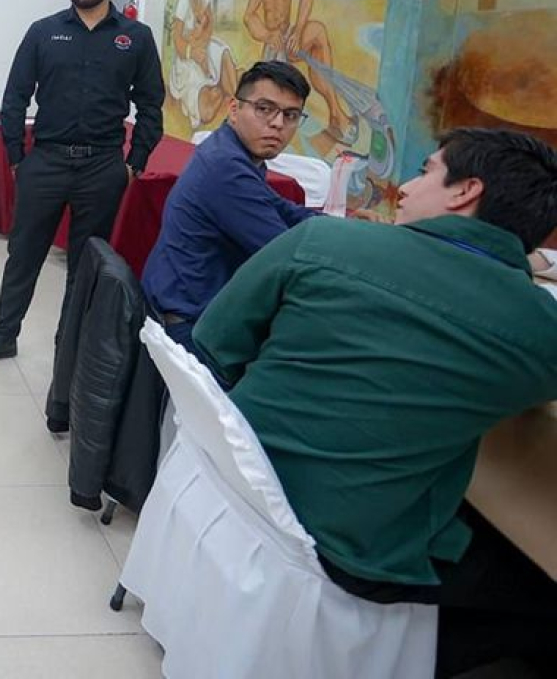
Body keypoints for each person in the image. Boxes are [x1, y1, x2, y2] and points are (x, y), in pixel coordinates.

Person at [194, 127, 557, 677]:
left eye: (426, 170)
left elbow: (216, 342)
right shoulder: (537, 327)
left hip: (242, 484)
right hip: (355, 549)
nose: (406, 187)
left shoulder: (322, 242)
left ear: (466, 191)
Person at [0, 0, 165, 368]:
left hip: (103, 165)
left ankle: (70, 344)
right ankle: (4, 335)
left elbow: (151, 104)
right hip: (46, 161)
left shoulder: (137, 38)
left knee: (86, 263)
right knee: (24, 254)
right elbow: (15, 96)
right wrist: (17, 157)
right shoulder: (43, 32)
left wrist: (134, 164)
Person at [143, 61, 317, 356]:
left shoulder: (231, 149)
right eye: (264, 108)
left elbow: (282, 208)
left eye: (290, 115)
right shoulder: (225, 167)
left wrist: (349, 230)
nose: (277, 123)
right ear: (234, 109)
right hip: (190, 327)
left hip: (189, 305)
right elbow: (284, 255)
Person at [243, 0, 353, 143]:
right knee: (272, 95)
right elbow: (249, 16)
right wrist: (266, 35)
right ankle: (272, 134)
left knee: (319, 34)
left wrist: (299, 29)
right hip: (274, 44)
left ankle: (336, 114)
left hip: (290, 36)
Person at [169, 0, 240, 127]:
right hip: (187, 57)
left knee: (224, 50)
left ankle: (238, 104)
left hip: (203, 47)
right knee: (207, 112)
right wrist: (193, 52)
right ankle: (215, 88)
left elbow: (209, 28)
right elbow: (176, 38)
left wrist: (203, 42)